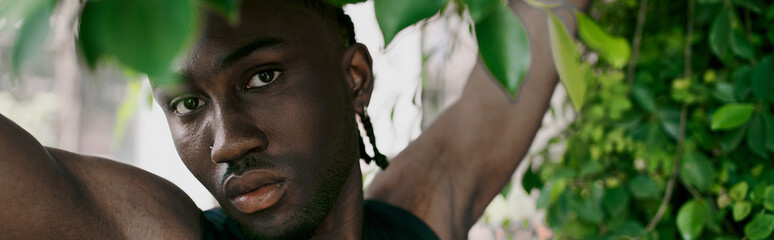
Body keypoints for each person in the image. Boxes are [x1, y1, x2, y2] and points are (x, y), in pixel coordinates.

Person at [0, 0, 588, 239]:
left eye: (263, 77)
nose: (228, 144)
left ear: (353, 78)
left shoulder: (416, 219)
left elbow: (545, 21)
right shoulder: (163, 232)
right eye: (188, 105)